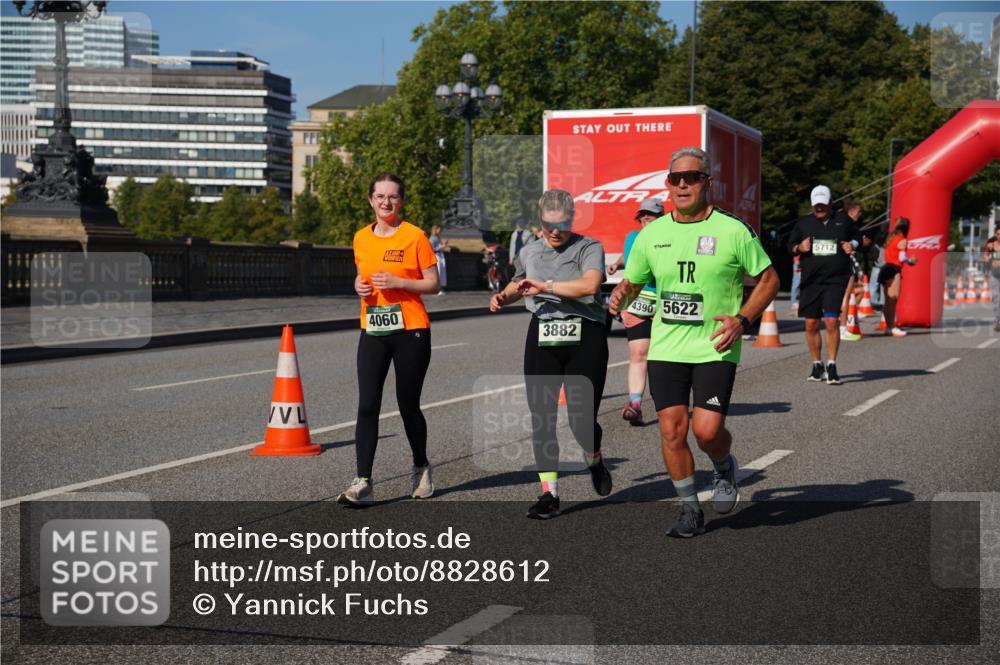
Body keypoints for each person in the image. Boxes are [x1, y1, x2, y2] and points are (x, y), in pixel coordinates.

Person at [609, 147, 779, 538]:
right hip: (667, 346)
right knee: (671, 429)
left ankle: (723, 468)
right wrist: (623, 294)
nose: (682, 185)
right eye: (675, 179)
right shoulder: (653, 233)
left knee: (706, 432)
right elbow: (634, 281)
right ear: (668, 185)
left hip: (715, 346)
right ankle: (689, 509)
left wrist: (742, 319)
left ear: (707, 182)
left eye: (691, 177)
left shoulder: (734, 230)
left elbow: (769, 280)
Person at [489, 188, 613, 519]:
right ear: (539, 221)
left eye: (562, 224)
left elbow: (589, 286)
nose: (555, 231)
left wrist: (546, 287)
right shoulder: (529, 252)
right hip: (543, 332)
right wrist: (504, 296)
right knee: (541, 417)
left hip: (585, 334)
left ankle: (594, 458)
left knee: (580, 420)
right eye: (548, 224)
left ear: (573, 219)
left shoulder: (589, 247)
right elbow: (520, 284)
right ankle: (549, 495)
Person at [339, 173, 440, 506]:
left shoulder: (415, 237)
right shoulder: (360, 238)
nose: (386, 202)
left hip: (411, 329)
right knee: (367, 404)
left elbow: (433, 283)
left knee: (407, 404)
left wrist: (399, 281)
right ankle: (363, 482)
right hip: (373, 328)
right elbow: (363, 273)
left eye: (392, 197)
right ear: (370, 200)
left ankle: (421, 466)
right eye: (380, 196)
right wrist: (358, 285)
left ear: (402, 201)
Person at [787, 185, 860, 385]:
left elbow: (858, 237)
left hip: (835, 280)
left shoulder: (843, 219)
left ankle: (832, 364)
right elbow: (789, 245)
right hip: (811, 281)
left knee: (831, 322)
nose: (819, 209)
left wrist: (851, 245)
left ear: (829, 203)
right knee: (810, 324)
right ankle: (816, 363)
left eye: (822, 205)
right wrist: (799, 247)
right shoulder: (804, 223)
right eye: (816, 206)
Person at [607, 197, 663, 425]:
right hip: (637, 306)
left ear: (662, 218)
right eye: (643, 214)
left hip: (664, 307)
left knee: (662, 359)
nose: (646, 217)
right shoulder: (633, 237)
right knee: (639, 354)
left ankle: (668, 406)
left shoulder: (671, 239)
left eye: (651, 214)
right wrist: (617, 264)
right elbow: (628, 253)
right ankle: (635, 404)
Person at [878, 217, 918, 337]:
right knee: (893, 300)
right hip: (894, 269)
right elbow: (901, 258)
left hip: (885, 269)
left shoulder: (891, 239)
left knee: (887, 301)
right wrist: (911, 260)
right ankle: (892, 327)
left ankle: (889, 327)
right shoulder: (902, 240)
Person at [838, 200, 864, 341]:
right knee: (846, 294)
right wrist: (853, 244)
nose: (859, 215)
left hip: (827, 263)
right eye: (859, 212)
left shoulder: (832, 219)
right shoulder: (849, 223)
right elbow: (857, 239)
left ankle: (833, 326)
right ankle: (842, 329)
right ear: (853, 211)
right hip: (845, 262)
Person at [984, 226, 1000, 332]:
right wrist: (987, 258)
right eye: (998, 234)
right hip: (994, 273)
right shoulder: (990, 245)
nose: (999, 236)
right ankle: (998, 322)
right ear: (995, 234)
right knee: (996, 298)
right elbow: (985, 256)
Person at [428, 225, 448, 295]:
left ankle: (441, 287)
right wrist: (441, 247)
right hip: (436, 256)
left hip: (440, 255)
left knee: (441, 272)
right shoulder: (432, 238)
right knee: (438, 272)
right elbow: (432, 249)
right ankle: (437, 288)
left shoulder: (437, 237)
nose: (440, 231)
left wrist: (443, 245)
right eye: (439, 229)